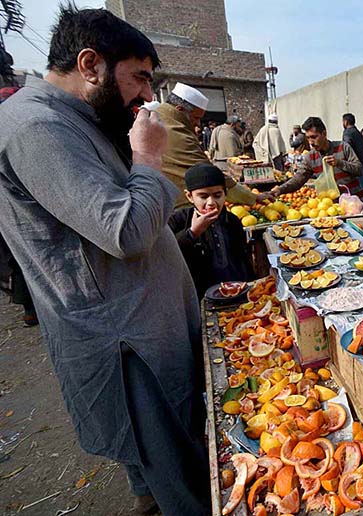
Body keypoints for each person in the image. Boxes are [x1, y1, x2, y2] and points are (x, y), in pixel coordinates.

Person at [0, 7, 210, 515]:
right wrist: (149, 158)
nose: (145, 94)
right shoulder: (36, 128)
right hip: (126, 339)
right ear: (90, 64)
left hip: (143, 324)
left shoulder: (78, 120)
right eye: (138, 77)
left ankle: (150, 497)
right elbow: (127, 231)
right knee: (180, 474)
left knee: (166, 456)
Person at [155, 82, 263, 209]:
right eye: (195, 117)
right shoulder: (175, 132)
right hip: (175, 210)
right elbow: (208, 175)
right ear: (179, 110)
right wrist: (252, 197)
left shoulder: (160, 118)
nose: (198, 124)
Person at [169, 163, 254, 298]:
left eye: (217, 195)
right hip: (199, 298)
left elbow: (243, 258)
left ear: (225, 194)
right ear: (190, 196)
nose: (211, 202)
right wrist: (192, 233)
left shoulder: (232, 221)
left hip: (236, 292)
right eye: (203, 196)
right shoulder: (178, 221)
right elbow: (169, 256)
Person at [269, 116, 363, 198]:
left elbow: (359, 169)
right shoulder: (310, 157)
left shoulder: (342, 147)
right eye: (308, 138)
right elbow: (298, 179)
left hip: (354, 201)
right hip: (332, 207)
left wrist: (339, 163)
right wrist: (280, 190)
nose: (310, 142)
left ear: (324, 134)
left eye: (314, 137)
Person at [342, 113, 363, 188]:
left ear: (346, 122)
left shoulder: (347, 133)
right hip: (362, 164)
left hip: (354, 167)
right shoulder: (358, 132)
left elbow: (347, 147)